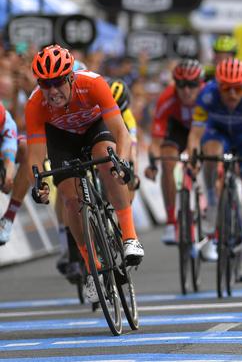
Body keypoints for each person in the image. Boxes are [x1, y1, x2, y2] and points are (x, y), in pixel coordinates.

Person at [27, 45, 143, 304]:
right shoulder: (35, 103)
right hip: (62, 140)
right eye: (46, 84)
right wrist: (41, 183)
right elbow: (35, 154)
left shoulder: (93, 84)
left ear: (70, 77)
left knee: (108, 164)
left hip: (95, 128)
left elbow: (121, 132)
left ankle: (130, 237)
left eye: (58, 83)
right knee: (70, 199)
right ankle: (93, 270)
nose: (53, 91)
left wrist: (121, 162)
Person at [187, 57, 242, 282]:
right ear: (218, 85)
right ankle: (213, 205)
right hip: (219, 135)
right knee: (210, 153)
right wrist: (193, 155)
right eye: (227, 89)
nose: (233, 95)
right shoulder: (207, 95)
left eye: (238, 89)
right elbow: (195, 135)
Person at [144, 60, 204, 247]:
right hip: (178, 130)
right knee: (167, 160)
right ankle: (171, 221)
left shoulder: (208, 96)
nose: (186, 90)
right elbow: (155, 141)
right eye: (181, 84)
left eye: (192, 84)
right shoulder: (166, 99)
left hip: (204, 130)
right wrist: (153, 163)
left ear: (201, 83)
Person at [0, 103, 32, 245]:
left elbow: (10, 146)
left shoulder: (4, 118)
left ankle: (9, 216)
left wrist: (8, 174)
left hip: (2, 153)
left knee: (27, 149)